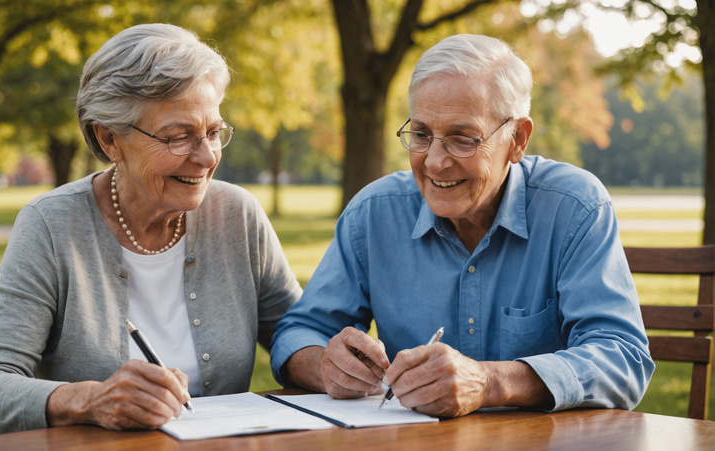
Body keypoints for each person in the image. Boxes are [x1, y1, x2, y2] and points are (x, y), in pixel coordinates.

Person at [270, 34, 654, 417]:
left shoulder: (574, 207)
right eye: (421, 135)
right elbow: (297, 334)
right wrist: (325, 365)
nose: (434, 162)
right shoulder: (374, 212)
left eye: (462, 139)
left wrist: (490, 382)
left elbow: (622, 356)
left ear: (517, 139)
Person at [0, 24, 301, 437]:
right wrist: (89, 399)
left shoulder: (237, 215)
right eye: (179, 137)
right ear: (109, 140)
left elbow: (295, 332)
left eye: (213, 132)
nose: (207, 156)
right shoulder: (51, 226)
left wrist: (333, 362)